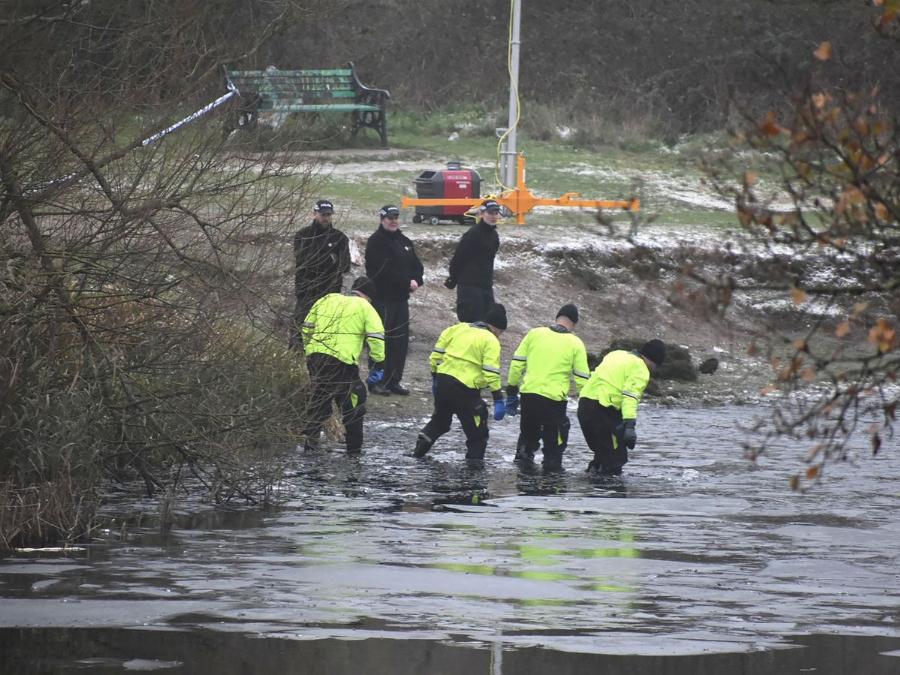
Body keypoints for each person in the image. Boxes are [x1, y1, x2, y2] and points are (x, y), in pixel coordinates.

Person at [412, 303, 508, 468]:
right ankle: (473, 472)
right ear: (497, 329)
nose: (499, 337)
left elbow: (436, 355)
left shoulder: (457, 328)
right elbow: (490, 371)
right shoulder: (490, 340)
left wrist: (435, 377)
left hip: (443, 382)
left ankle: (417, 453)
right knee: (478, 432)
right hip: (465, 390)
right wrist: (498, 396)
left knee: (440, 422)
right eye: (500, 333)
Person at [300, 276, 385, 454]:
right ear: (368, 296)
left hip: (316, 358)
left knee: (319, 398)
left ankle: (310, 445)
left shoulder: (327, 299)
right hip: (342, 361)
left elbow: (307, 327)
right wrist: (378, 363)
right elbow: (376, 337)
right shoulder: (365, 307)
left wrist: (310, 351)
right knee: (354, 400)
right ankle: (354, 452)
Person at [505, 304, 590, 470]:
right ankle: (552, 487)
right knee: (554, 449)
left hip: (529, 395)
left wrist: (512, 390)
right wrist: (586, 400)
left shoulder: (534, 333)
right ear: (574, 323)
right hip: (554, 401)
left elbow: (517, 364)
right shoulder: (575, 343)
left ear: (557, 317)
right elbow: (581, 378)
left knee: (527, 441)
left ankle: (522, 483)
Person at [577, 339, 666, 476]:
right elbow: (630, 396)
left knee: (602, 454)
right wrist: (630, 426)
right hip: (602, 410)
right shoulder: (641, 368)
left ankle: (592, 486)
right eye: (655, 366)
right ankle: (611, 494)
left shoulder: (616, 354)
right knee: (615, 460)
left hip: (584, 406)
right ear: (653, 361)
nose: (653, 369)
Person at [364, 204, 425, 396]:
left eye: (396, 217)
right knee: (381, 340)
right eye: (389, 218)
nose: (393, 221)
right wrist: (405, 282)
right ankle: (376, 381)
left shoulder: (404, 241)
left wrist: (416, 280)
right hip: (382, 298)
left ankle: (393, 380)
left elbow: (417, 265)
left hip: (401, 300)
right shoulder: (376, 242)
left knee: (400, 342)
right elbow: (381, 271)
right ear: (382, 219)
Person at [292, 199, 351, 345]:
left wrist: (328, 261)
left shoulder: (340, 237)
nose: (326, 218)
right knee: (300, 328)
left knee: (326, 331)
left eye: (329, 215)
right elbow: (304, 261)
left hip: (330, 292)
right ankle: (294, 359)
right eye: (323, 214)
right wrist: (330, 258)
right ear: (314, 214)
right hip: (307, 291)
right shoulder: (303, 235)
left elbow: (345, 265)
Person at [444, 199, 501, 322]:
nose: (493, 216)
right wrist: (453, 278)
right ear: (482, 214)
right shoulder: (473, 234)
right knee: (471, 322)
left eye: (496, 213)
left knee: (488, 322)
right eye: (490, 213)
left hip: (486, 286)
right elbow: (458, 258)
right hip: (469, 286)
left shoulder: (494, 236)